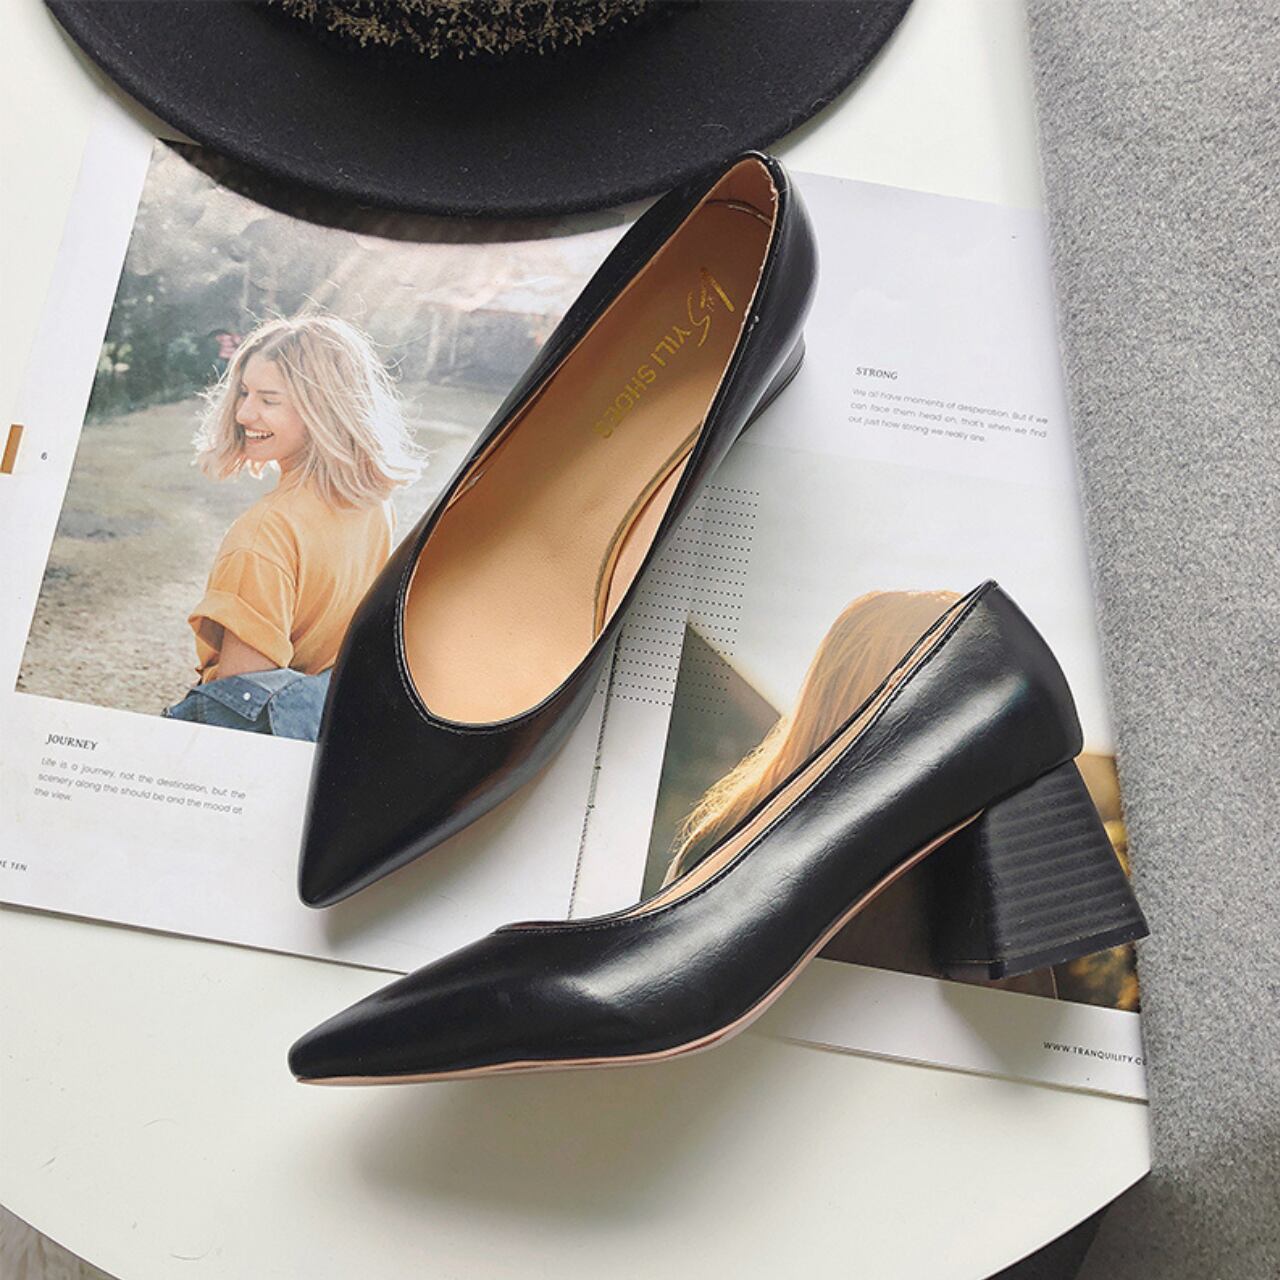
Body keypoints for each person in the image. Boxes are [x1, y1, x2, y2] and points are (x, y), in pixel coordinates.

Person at [163, 314, 422, 739]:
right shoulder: (372, 502)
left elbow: (241, 713)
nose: (244, 413)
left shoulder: (265, 533)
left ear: (323, 408)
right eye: (244, 392)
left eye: (269, 400)